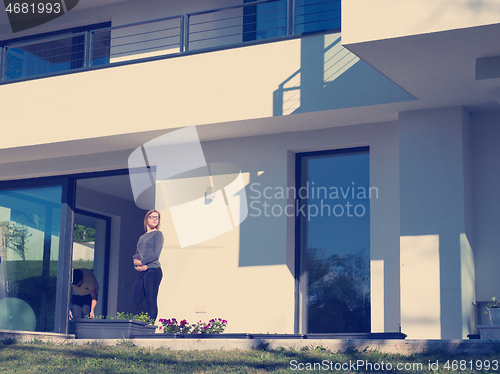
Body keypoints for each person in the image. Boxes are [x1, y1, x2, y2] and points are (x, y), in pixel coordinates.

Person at [131, 209, 164, 321]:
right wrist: (137, 266)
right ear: (147, 219)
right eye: (152, 217)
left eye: (157, 217)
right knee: (135, 301)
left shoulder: (158, 234)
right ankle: (146, 322)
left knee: (151, 299)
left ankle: (150, 325)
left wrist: (142, 262)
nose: (155, 219)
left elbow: (156, 254)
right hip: (143, 271)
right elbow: (137, 254)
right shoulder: (142, 237)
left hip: (153, 270)